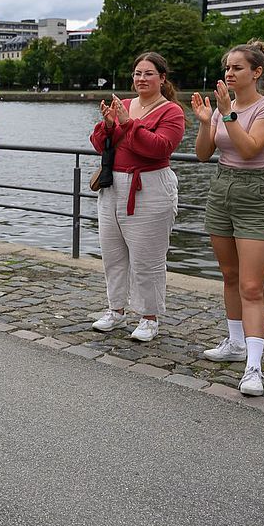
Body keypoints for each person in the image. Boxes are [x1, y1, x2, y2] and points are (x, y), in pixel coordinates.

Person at [191, 40, 264, 397]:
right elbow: (202, 154)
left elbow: (249, 148)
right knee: (229, 275)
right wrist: (204, 123)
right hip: (221, 189)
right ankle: (235, 343)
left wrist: (227, 113)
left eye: (237, 68)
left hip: (256, 193)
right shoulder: (220, 107)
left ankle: (254, 367)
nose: (229, 73)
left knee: (251, 286)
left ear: (256, 72)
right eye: (227, 68)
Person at [89, 53, 186, 342]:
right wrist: (107, 125)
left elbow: (159, 148)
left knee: (147, 257)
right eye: (137, 73)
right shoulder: (125, 105)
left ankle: (149, 317)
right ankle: (115, 310)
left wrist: (127, 124)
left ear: (162, 78)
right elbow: (98, 145)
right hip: (113, 186)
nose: (141, 79)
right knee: (113, 253)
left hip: (149, 187)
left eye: (148, 74)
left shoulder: (172, 112)